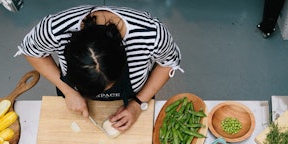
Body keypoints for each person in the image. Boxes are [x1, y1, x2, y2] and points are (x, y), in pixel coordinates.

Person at [16, 5, 182, 132]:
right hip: (73, 98)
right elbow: (31, 52)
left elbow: (169, 62)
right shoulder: (56, 28)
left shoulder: (151, 34)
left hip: (134, 96)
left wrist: (138, 104)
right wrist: (68, 91)